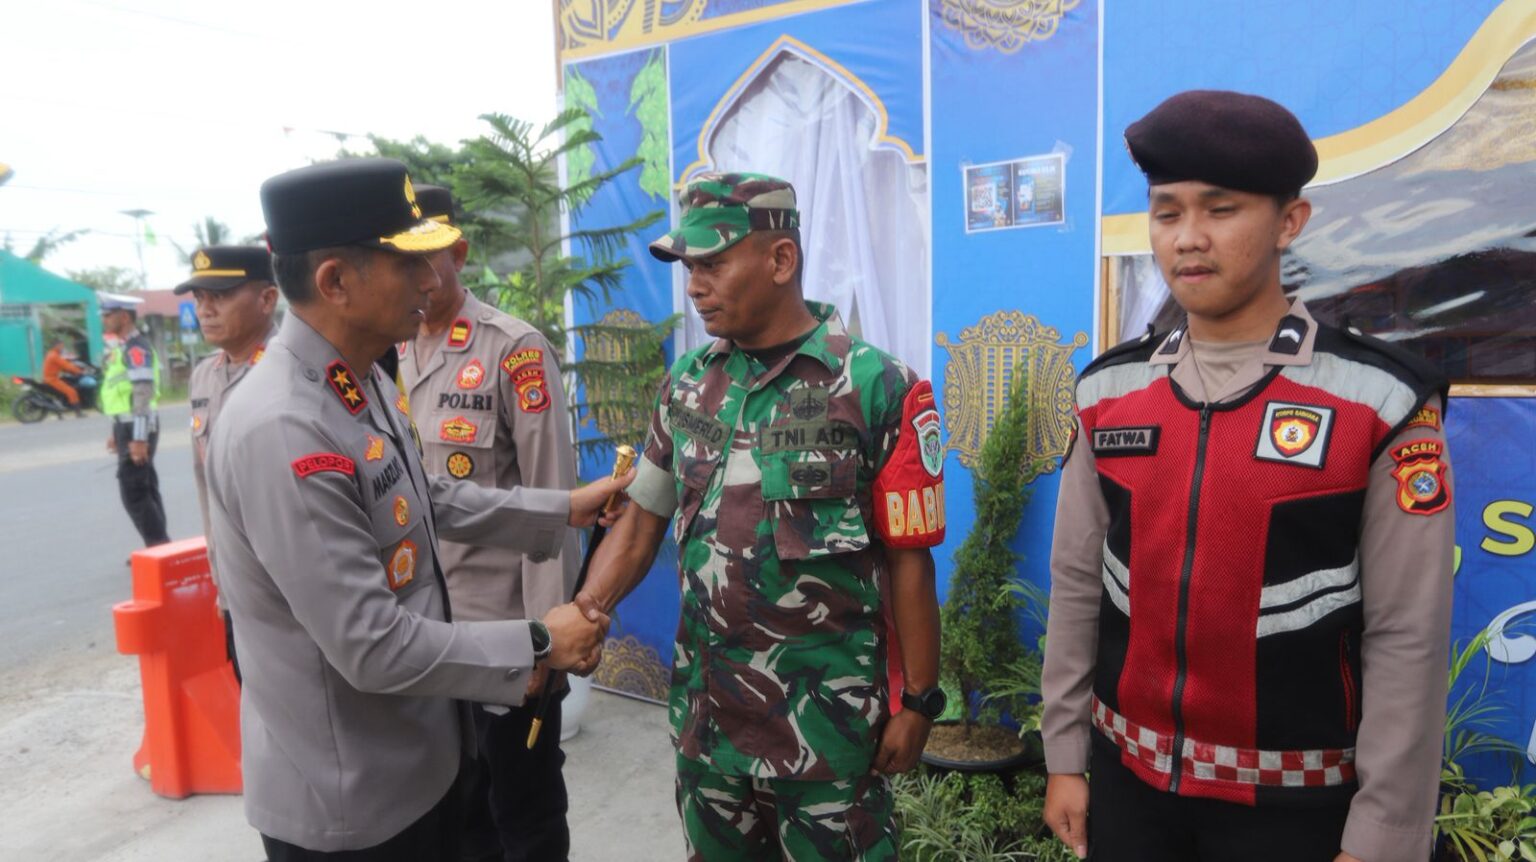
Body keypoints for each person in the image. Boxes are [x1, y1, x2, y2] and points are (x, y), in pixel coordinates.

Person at [1039, 90, 1455, 862]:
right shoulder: (1108, 392)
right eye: (1166, 213)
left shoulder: (1379, 400)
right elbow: (1076, 586)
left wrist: (1383, 835)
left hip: (1298, 810)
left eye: (1221, 210)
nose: (1188, 238)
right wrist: (1065, 756)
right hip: (1131, 791)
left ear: (1289, 222)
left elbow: (1408, 636)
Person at [206, 158, 633, 861]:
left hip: (416, 760)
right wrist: (537, 643)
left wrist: (562, 508)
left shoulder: (357, 379)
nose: (431, 280)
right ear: (336, 282)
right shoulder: (285, 427)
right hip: (355, 802)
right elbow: (371, 644)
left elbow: (422, 496)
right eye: (408, 263)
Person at [577, 172, 949, 861]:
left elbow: (909, 559)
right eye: (689, 268)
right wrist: (587, 609)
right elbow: (641, 521)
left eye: (712, 264)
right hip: (708, 729)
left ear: (781, 260)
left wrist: (920, 701)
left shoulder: (876, 387)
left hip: (826, 735)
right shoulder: (687, 384)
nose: (694, 286)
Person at [396, 185, 583, 862]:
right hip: (424, 636)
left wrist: (545, 645)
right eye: (401, 260)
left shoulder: (512, 349)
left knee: (524, 811)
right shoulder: (385, 354)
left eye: (429, 257)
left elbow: (551, 499)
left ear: (460, 253)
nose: (416, 277)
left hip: (505, 634)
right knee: (457, 810)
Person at [176, 245, 280, 681]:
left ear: (267, 299)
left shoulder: (292, 368)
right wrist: (223, 585)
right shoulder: (204, 376)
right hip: (236, 589)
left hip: (289, 594)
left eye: (219, 295)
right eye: (199, 297)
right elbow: (206, 485)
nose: (205, 309)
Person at [100, 293, 169, 547]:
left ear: (124, 317)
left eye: (108, 315)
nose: (104, 320)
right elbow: (121, 393)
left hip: (137, 426)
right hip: (126, 424)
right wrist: (115, 429)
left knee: (134, 491)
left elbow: (142, 393)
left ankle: (158, 546)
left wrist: (139, 438)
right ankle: (159, 547)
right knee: (144, 486)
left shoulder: (136, 348)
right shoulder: (123, 348)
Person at [41, 339, 85, 415]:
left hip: (49, 378)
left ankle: (61, 408)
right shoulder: (54, 356)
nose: (62, 348)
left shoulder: (50, 354)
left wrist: (69, 370)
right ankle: (78, 413)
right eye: (61, 346)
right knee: (72, 391)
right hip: (52, 379)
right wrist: (78, 371)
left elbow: (60, 366)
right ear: (57, 346)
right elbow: (66, 365)